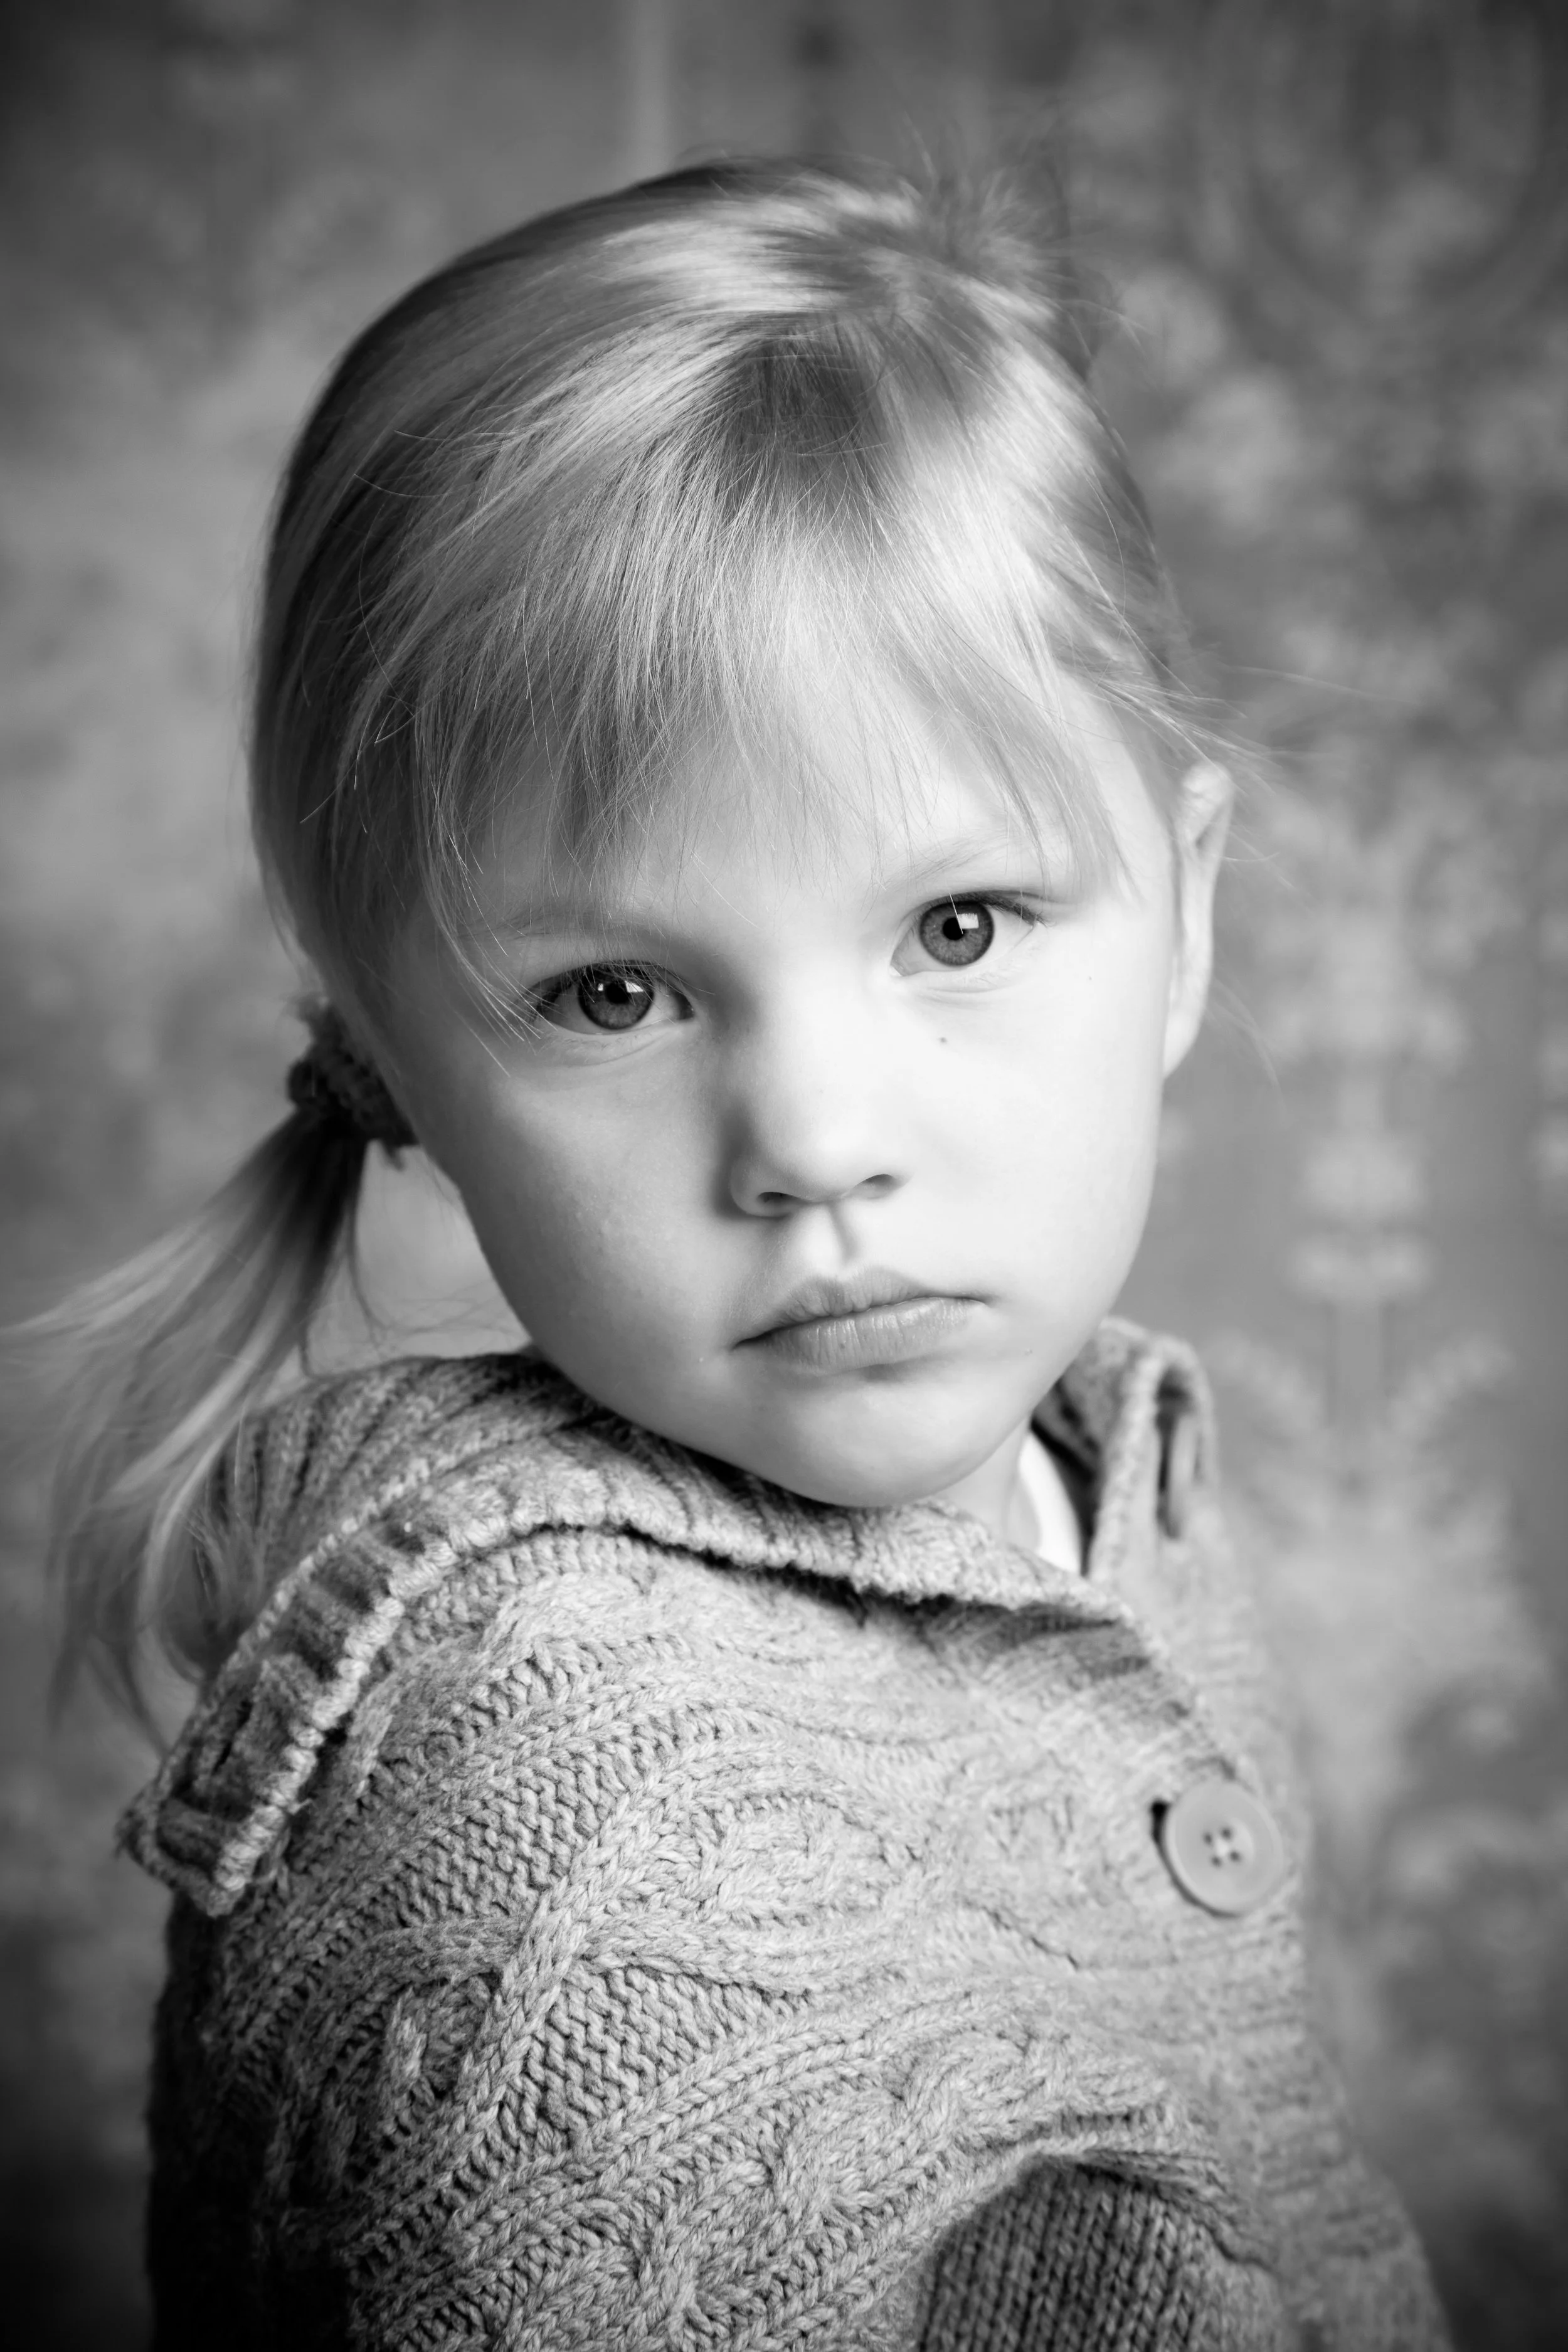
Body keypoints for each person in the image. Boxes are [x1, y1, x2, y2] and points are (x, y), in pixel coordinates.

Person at [41, 156, 1451, 2349]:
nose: (813, 1143)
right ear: (389, 1060)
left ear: (1183, 917)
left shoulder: (1115, 1477)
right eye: (613, 993)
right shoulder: (549, 1783)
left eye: (954, 926)